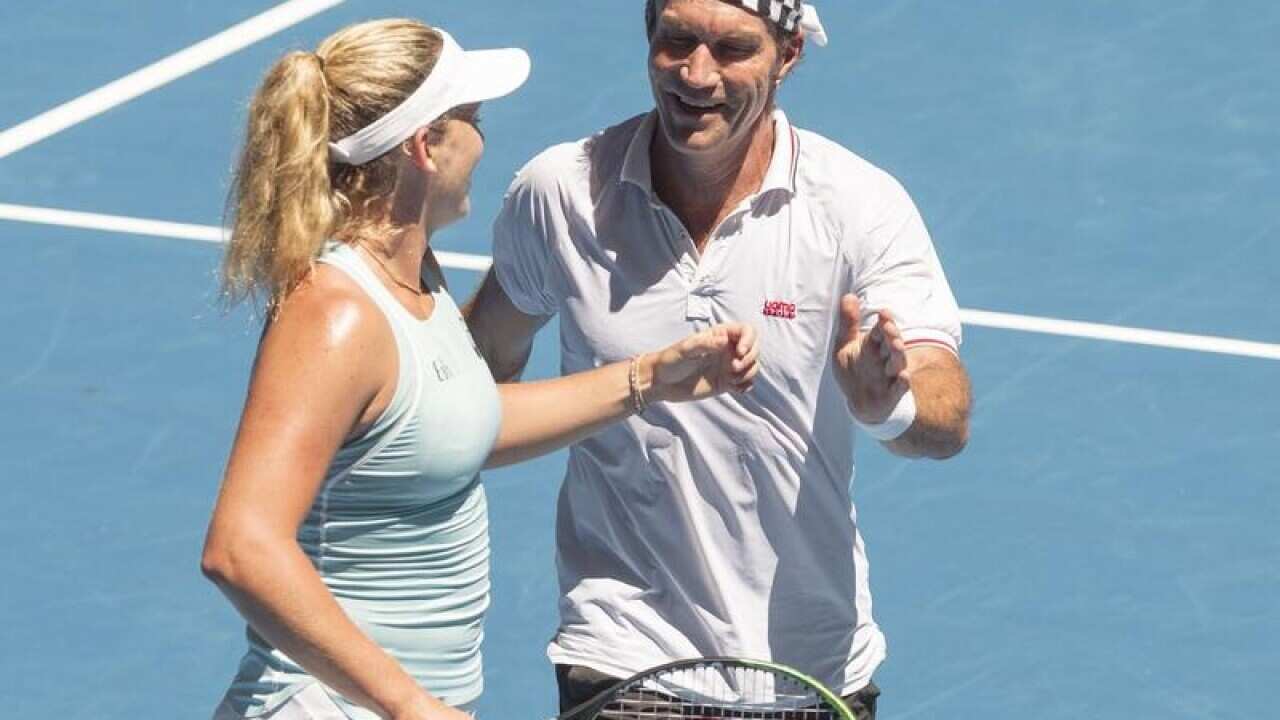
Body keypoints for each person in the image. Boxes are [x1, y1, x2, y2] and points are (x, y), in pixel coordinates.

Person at [201, 18, 760, 720]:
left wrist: (648, 380)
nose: (483, 141)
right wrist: (407, 704)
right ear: (422, 146)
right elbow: (240, 546)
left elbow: (455, 424)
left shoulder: (414, 283)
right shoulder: (336, 314)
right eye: (470, 120)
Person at [463, 2, 973, 718]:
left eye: (732, 49)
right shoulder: (563, 193)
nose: (696, 75)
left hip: (812, 665)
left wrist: (889, 407)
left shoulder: (859, 204)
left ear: (788, 55)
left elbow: (945, 414)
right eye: (676, 42)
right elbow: (471, 380)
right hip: (624, 652)